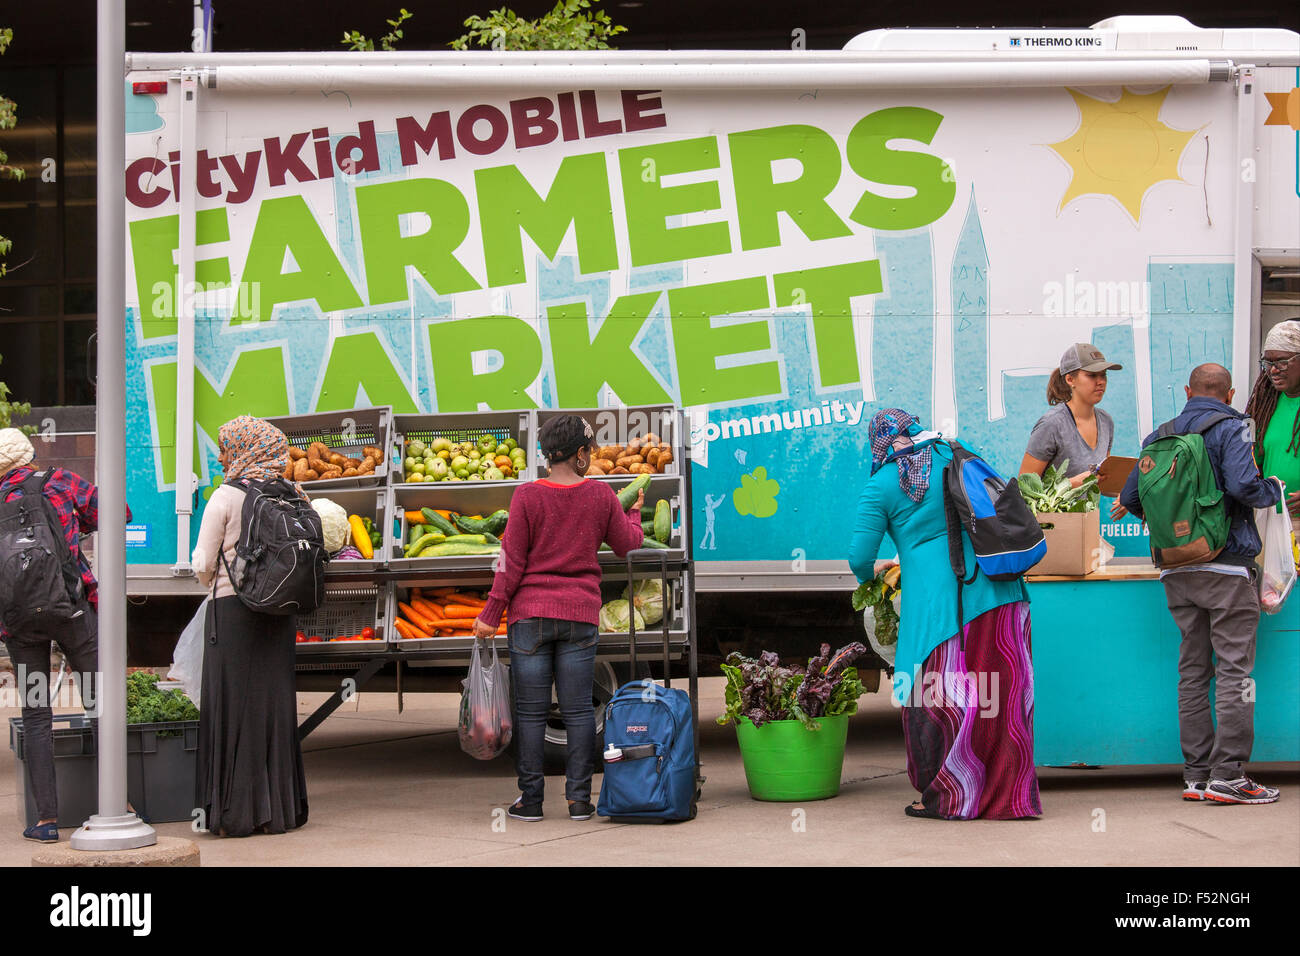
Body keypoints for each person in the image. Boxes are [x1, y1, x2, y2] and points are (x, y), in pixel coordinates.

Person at [848, 409, 1040, 820]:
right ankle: (1010, 798)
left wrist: (876, 577)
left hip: (942, 606)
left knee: (937, 698)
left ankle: (950, 796)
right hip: (1002, 590)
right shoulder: (957, 454)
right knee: (1002, 700)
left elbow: (859, 557)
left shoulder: (882, 483)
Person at [1119, 364, 1283, 805]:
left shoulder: (1159, 435)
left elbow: (1132, 498)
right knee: (1234, 673)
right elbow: (1245, 487)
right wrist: (1275, 488)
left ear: (1188, 391)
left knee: (1192, 672)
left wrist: (1178, 534)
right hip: (1227, 568)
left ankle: (1195, 776)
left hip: (1177, 570)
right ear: (1229, 393)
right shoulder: (1235, 427)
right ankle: (1228, 775)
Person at [474, 415, 644, 823]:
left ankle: (531, 802)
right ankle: (580, 802)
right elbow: (627, 545)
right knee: (579, 713)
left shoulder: (527, 496)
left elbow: (510, 563)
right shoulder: (601, 497)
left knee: (531, 714)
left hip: (529, 617)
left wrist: (490, 614)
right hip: (579, 617)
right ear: (581, 454)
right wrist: (634, 512)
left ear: (548, 454)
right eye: (590, 451)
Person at [0, 427, 128, 843]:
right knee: (99, 702)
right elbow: (118, 512)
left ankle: (46, 821)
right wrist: (72, 528)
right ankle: (118, 804)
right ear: (28, 455)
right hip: (71, 609)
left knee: (36, 715)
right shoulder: (58, 482)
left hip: (19, 623)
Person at [191, 416, 309, 836]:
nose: (222, 455)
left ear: (242, 449)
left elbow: (203, 563)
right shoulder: (293, 493)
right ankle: (279, 813)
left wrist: (215, 580)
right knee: (273, 707)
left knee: (230, 708)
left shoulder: (224, 496)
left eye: (225, 447)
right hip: (279, 615)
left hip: (233, 613)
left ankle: (233, 814)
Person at [1021, 342, 1128, 519]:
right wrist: (1070, 484)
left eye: (1103, 375)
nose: (1100, 381)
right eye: (1092, 375)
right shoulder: (1052, 424)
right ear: (1070, 380)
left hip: (1088, 526)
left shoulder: (1106, 421)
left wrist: (1125, 495)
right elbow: (1024, 489)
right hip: (1052, 530)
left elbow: (1103, 480)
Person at [1245, 318, 1300, 536]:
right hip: (1270, 522)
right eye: (1267, 363)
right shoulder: (1261, 407)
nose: (1273, 370)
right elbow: (1250, 465)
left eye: (1282, 362)